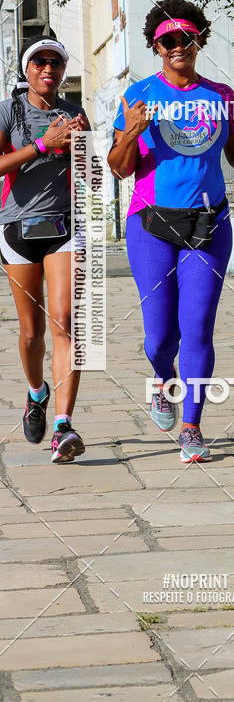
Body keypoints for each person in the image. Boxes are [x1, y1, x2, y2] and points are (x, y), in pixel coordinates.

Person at [108, 0, 234, 463]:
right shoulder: (137, 96)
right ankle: (162, 379)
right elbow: (119, 168)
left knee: (197, 328)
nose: (178, 46)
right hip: (150, 224)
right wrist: (131, 132)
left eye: (187, 38)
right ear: (156, 46)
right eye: (168, 40)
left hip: (209, 224)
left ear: (199, 42)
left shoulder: (221, 95)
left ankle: (191, 427)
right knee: (159, 338)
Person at [0, 35, 88, 462]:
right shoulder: (8, 111)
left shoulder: (75, 113)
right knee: (32, 333)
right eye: (40, 62)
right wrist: (41, 145)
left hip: (63, 228)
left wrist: (83, 146)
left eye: (55, 62)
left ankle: (63, 426)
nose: (48, 69)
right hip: (16, 228)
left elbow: (90, 174)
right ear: (27, 69)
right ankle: (37, 393)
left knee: (65, 322)